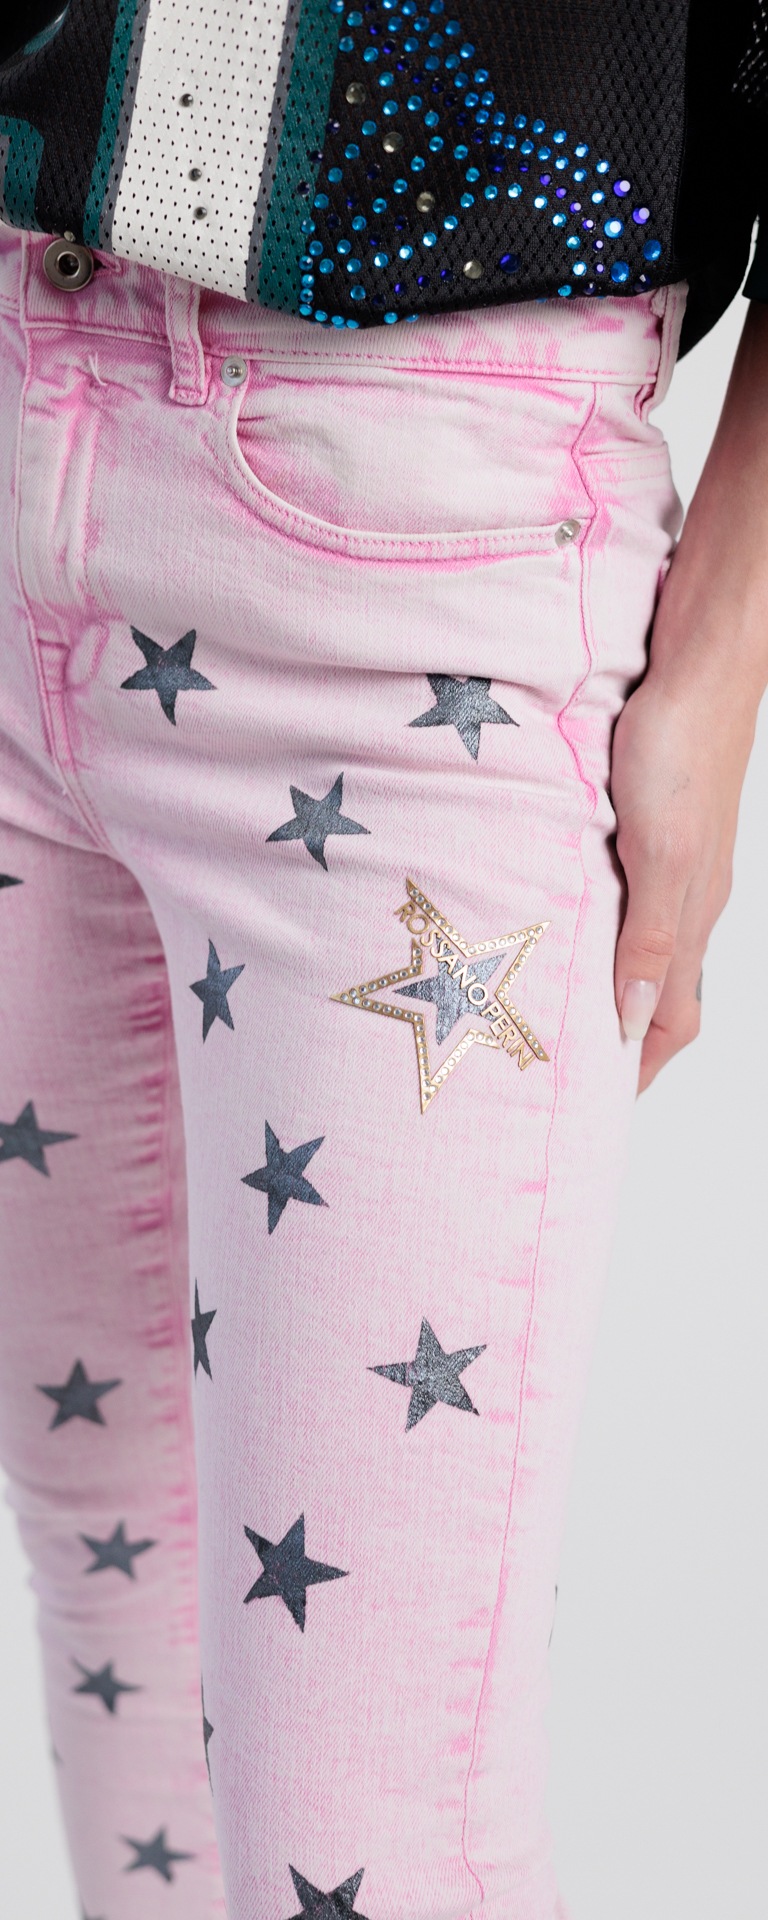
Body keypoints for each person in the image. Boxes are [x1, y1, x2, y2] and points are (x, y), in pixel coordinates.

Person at [0, 3, 766, 1918]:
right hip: (18, 407)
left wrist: (724, 656)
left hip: (420, 557)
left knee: (364, 1839)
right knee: (110, 1545)